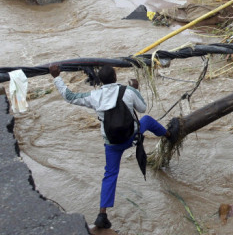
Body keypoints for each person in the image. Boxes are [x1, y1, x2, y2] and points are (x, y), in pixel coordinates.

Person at [48, 64, 176, 229]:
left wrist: (56, 77)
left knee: (110, 175)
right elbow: (142, 108)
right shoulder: (128, 91)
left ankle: (102, 214)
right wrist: (135, 88)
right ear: (115, 77)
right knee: (147, 121)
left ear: (100, 81)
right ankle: (169, 135)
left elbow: (70, 97)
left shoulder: (95, 96)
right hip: (132, 137)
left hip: (112, 144)